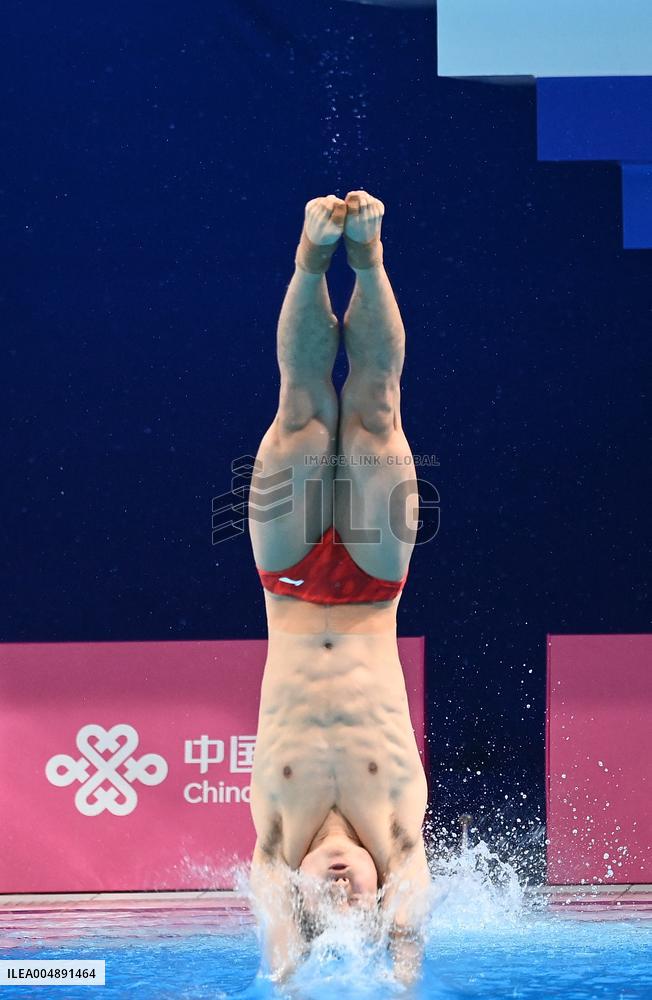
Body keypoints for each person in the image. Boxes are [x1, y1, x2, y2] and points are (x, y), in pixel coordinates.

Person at [247, 191, 430, 985]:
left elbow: (277, 946)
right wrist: (401, 963)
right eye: (357, 903)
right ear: (380, 895)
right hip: (372, 588)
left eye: (324, 908)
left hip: (287, 589)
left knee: (299, 413)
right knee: (375, 413)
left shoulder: (277, 842)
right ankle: (370, 257)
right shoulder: (396, 833)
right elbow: (414, 909)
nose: (338, 890)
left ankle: (310, 260)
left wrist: (284, 970)